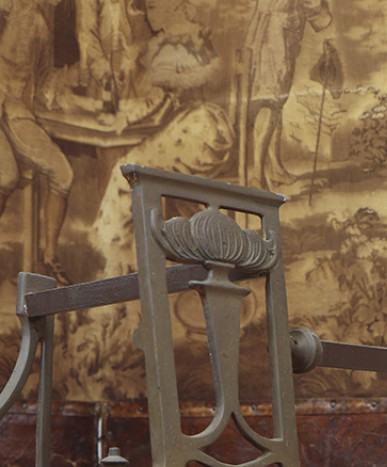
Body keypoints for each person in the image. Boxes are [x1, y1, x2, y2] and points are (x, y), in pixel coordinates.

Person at [91, 0, 234, 276]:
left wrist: (128, 118)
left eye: (154, 7)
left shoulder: (180, 41)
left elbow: (164, 104)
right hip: (196, 126)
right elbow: (165, 103)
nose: (148, 15)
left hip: (197, 132)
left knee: (127, 172)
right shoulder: (180, 38)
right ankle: (130, 259)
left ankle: (120, 261)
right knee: (132, 167)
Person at [0, 0, 74, 284]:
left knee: (63, 174)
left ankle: (50, 257)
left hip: (18, 114)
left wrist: (65, 81)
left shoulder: (40, 24)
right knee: (6, 176)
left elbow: (43, 77)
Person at [244, 0, 333, 189]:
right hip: (276, 37)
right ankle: (257, 176)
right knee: (269, 101)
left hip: (269, 33)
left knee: (275, 103)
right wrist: (322, 12)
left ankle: (276, 169)